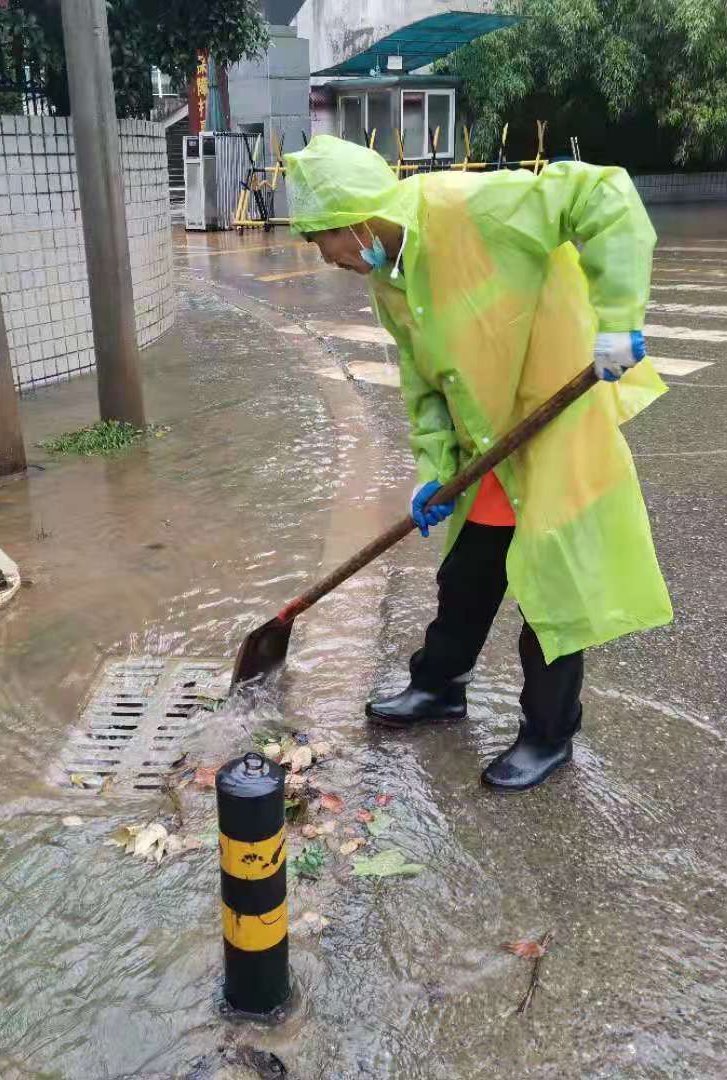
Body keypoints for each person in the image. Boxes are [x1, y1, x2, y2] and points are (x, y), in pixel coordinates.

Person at [285, 135, 672, 793]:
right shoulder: (389, 279)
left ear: (353, 221)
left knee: (553, 591)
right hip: (487, 444)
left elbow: (603, 193)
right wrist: (436, 467)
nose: (329, 260)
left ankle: (548, 736)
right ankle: (438, 688)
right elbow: (424, 382)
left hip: (555, 428)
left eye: (324, 242)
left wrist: (618, 318)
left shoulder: (472, 205)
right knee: (466, 575)